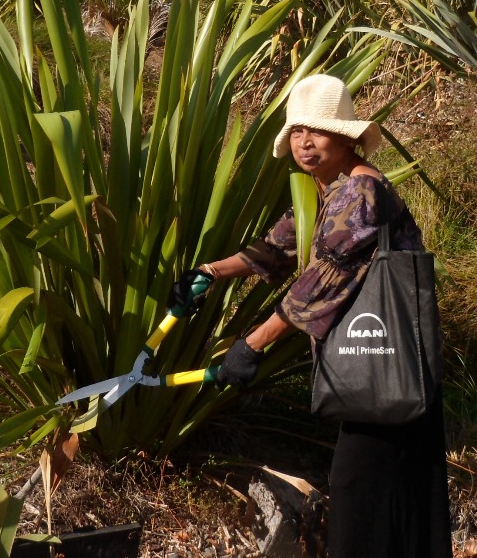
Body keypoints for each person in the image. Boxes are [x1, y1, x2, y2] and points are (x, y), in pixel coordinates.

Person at [170, 74, 453, 557]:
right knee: (397, 491)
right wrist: (209, 272)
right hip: (383, 366)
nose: (305, 141)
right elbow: (274, 250)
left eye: (317, 130)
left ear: (345, 137)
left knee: (357, 489)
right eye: (297, 131)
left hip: (387, 364)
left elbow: (322, 279)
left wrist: (252, 345)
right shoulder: (326, 191)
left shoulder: (360, 192)